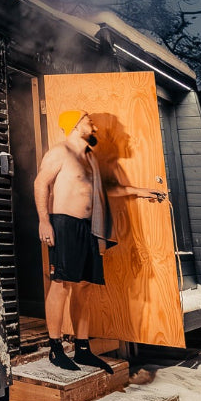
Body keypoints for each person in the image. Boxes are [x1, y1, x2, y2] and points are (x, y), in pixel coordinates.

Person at [33, 109, 163, 373]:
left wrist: (139, 191)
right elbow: (40, 184)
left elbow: (104, 190)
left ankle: (82, 348)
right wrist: (44, 221)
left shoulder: (90, 158)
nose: (94, 127)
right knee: (61, 285)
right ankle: (56, 348)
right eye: (89, 122)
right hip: (64, 224)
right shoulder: (59, 152)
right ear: (74, 125)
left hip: (88, 228)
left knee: (84, 287)